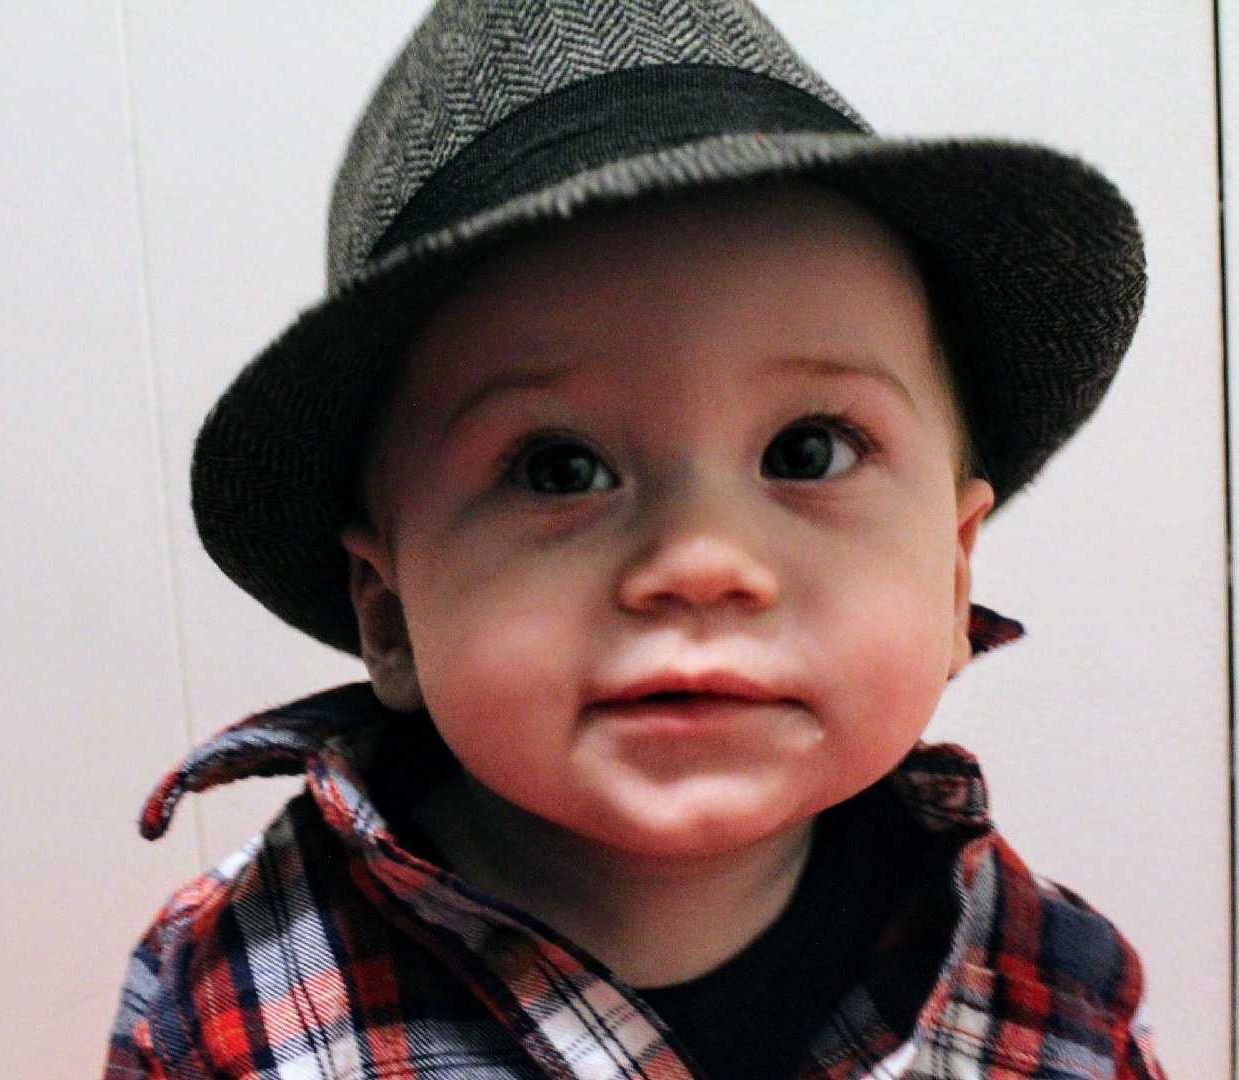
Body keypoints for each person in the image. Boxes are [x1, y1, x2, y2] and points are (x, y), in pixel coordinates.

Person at [105, 1, 1164, 1077]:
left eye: (806, 451)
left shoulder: (1052, 998)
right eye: (559, 469)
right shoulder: (234, 1000)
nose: (700, 561)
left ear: (953, 574)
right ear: (388, 611)